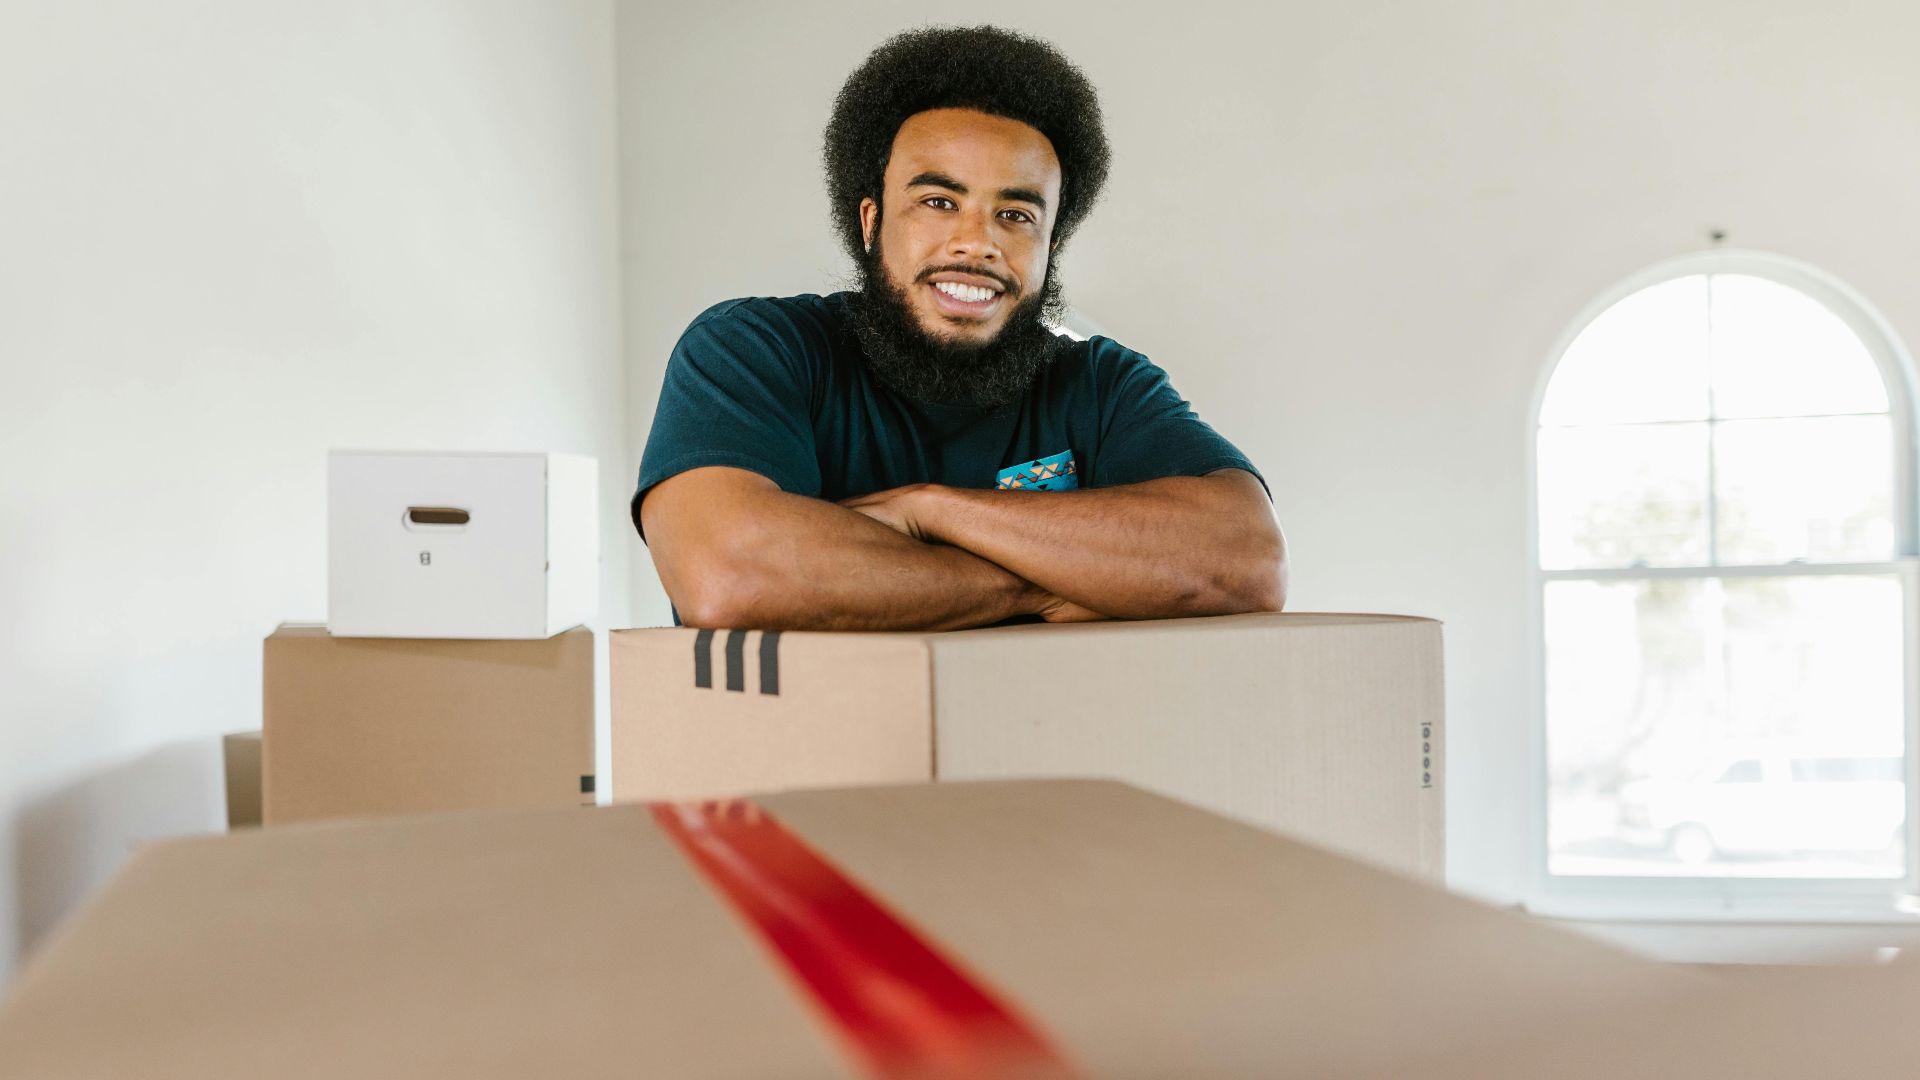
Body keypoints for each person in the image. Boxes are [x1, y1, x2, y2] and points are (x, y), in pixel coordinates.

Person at [634, 25, 1286, 631]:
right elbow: (730, 576)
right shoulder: (756, 351)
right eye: (939, 202)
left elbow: (1246, 561)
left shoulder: (1100, 384)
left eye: (1016, 214)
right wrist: (1041, 588)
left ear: (1049, 243)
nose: (977, 242)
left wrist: (930, 510)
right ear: (870, 222)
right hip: (800, 751)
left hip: (1049, 751)